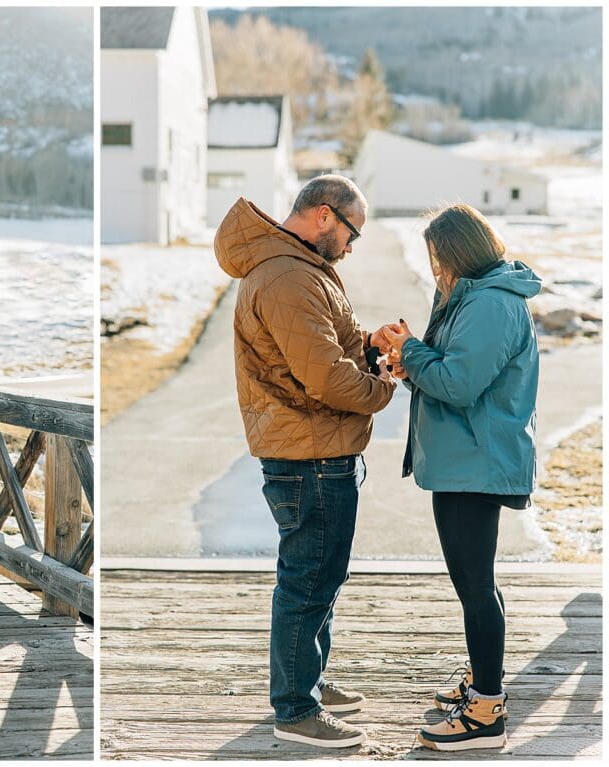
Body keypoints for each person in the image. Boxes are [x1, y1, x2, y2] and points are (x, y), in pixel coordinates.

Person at [214, 175, 400, 748]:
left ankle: (307, 680)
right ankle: (296, 709)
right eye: (352, 234)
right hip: (311, 456)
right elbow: (323, 376)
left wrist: (368, 344)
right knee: (308, 579)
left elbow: (316, 351)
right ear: (324, 216)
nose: (351, 246)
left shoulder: (292, 266)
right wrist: (384, 384)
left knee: (318, 575)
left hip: (311, 450)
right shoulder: (289, 274)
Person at [382, 204, 540, 751]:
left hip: (478, 464)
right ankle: (484, 681)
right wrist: (409, 363)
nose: (433, 267)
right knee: (475, 582)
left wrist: (411, 350)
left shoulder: (493, 304)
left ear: (458, 252)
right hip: (464, 460)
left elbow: (458, 383)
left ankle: (487, 714)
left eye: (437, 255)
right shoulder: (468, 296)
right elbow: (444, 371)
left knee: (474, 585)